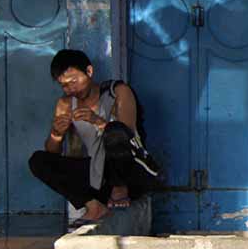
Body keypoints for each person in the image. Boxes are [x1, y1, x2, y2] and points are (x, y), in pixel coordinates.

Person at [29, 50, 159, 223]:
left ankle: (119, 188)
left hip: (133, 175)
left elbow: (125, 136)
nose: (71, 89)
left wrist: (96, 120)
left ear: (89, 72)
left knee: (115, 131)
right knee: (38, 161)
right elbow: (52, 152)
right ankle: (93, 206)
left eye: (74, 81)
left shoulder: (118, 92)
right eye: (64, 85)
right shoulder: (65, 104)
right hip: (100, 177)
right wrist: (56, 134)